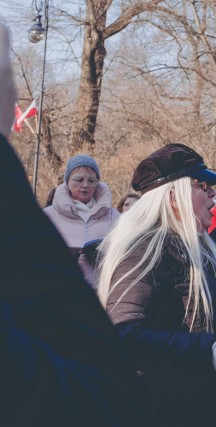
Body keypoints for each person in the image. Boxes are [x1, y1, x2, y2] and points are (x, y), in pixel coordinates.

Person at [1, 20, 144, 425]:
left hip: (101, 308)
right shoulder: (40, 219)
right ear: (66, 183)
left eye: (91, 179)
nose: (84, 185)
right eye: (77, 179)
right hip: (56, 335)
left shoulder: (117, 219)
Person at [97, 143, 216, 427]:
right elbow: (125, 334)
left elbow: (199, 321)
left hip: (212, 408)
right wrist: (210, 351)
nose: (214, 194)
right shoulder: (145, 250)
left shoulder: (201, 248)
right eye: (202, 186)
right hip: (168, 412)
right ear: (173, 196)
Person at [43, 154, 120, 256]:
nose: (85, 185)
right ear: (67, 181)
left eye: (91, 181)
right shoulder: (47, 216)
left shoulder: (113, 216)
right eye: (79, 180)